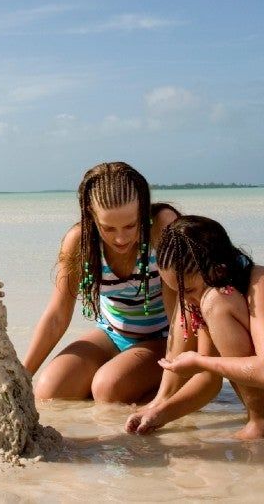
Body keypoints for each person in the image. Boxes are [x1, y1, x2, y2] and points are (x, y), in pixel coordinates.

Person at [136, 214, 264, 439]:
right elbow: (208, 382)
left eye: (191, 290)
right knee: (213, 303)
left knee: (216, 301)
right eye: (180, 293)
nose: (187, 301)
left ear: (219, 270)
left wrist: (199, 361)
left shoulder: (261, 285)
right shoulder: (211, 296)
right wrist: (159, 414)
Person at [23, 162, 185, 405]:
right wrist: (22, 376)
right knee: (50, 392)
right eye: (108, 228)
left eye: (131, 225)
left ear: (142, 210)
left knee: (108, 388)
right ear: (90, 214)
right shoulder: (79, 240)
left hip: (163, 337)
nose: (121, 238)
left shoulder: (161, 226)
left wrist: (177, 375)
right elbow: (57, 315)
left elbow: (179, 314)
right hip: (111, 334)